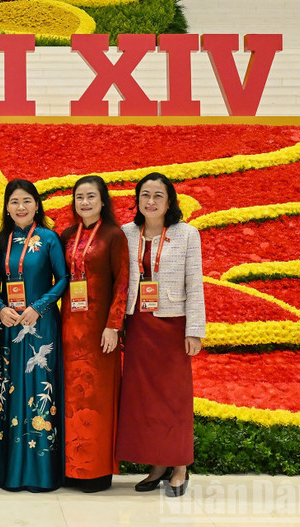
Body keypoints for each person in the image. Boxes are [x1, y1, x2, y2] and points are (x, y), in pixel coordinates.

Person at [116, 172, 205, 498]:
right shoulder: (126, 233)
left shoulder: (186, 234)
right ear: (137, 200)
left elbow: (195, 284)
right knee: (144, 399)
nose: (150, 201)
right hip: (139, 324)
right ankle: (156, 464)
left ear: (169, 201)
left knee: (174, 397)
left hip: (172, 324)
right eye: (145, 195)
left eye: (157, 195)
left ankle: (179, 465)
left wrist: (194, 330)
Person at [0, 179, 68, 492]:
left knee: (38, 389)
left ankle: (41, 472)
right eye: (14, 202)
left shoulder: (48, 239)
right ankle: (10, 470)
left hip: (40, 325)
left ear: (36, 205)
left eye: (26, 201)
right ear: (6, 207)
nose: (20, 207)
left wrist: (39, 307)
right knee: (10, 390)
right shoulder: (0, 241)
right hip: (9, 326)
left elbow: (63, 279)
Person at [59, 175, 129, 493]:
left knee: (97, 400)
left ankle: (96, 471)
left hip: (101, 332)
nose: (84, 202)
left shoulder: (114, 235)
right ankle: (70, 468)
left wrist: (114, 325)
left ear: (103, 201)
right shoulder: (67, 236)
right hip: (69, 330)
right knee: (70, 397)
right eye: (79, 197)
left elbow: (123, 282)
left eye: (91, 196)